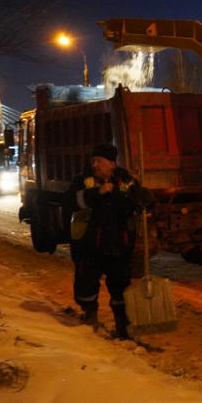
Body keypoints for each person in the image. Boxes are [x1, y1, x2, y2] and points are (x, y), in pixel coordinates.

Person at [65, 143, 153, 339]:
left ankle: (122, 325)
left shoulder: (126, 181)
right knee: (86, 283)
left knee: (121, 286)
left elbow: (139, 202)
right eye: (93, 161)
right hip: (89, 246)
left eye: (99, 161)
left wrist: (146, 199)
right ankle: (90, 316)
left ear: (112, 163)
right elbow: (70, 201)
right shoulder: (83, 180)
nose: (95, 165)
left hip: (118, 245)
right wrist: (96, 193)